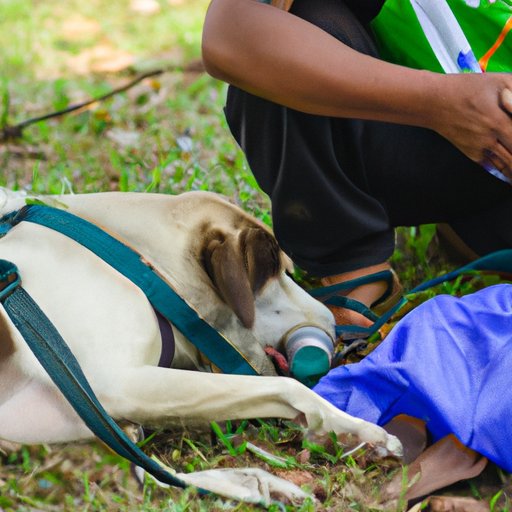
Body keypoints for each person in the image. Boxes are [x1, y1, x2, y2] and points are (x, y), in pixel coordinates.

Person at [201, 0, 512, 332]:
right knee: (278, 38)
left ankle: (477, 229)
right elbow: (230, 32)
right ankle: (355, 271)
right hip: (406, 125)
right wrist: (443, 103)